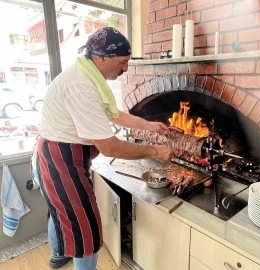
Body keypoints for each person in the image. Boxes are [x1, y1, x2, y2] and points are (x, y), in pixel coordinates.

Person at [32, 27, 175, 270]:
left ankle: (58, 255)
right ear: (101, 58)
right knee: (86, 228)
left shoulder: (90, 76)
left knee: (59, 210)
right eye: (123, 62)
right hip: (60, 159)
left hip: (58, 154)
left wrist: (149, 125)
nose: (126, 69)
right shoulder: (81, 86)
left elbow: (114, 114)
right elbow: (110, 147)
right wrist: (156, 151)